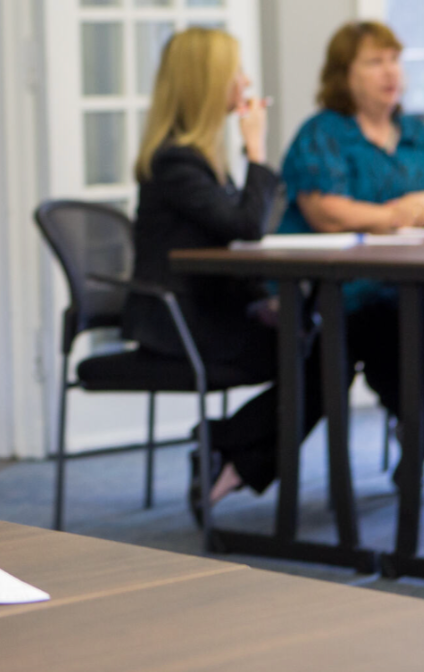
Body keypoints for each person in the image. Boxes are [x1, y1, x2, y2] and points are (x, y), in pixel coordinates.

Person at [122, 27, 323, 512]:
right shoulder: (175, 162)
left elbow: (232, 240)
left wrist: (262, 302)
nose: (247, 81)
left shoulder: (203, 160)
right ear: (209, 82)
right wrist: (256, 149)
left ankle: (227, 455)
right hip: (179, 323)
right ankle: (221, 447)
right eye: (236, 72)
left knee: (326, 346)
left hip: (209, 312)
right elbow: (247, 226)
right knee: (323, 358)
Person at [279, 20, 424, 430]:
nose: (390, 71)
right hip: (347, 286)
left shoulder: (416, 131)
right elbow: (329, 213)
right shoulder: (324, 133)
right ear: (344, 74)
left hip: (409, 284)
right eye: (374, 62)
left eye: (394, 59)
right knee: (381, 331)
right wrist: (402, 212)